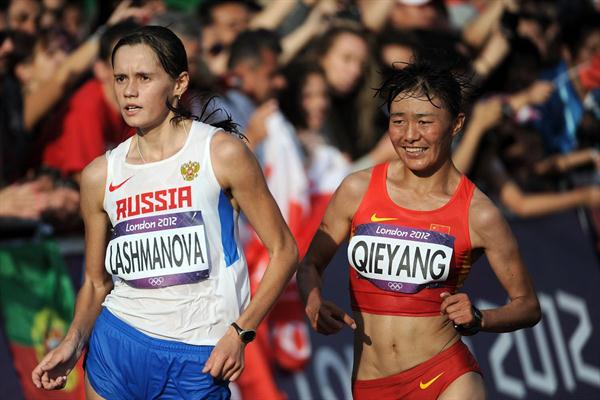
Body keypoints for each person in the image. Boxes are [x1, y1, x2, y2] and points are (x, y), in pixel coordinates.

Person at [31, 25, 298, 399]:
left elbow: (285, 251)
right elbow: (95, 283)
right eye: (120, 78)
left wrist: (241, 332)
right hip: (117, 345)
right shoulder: (99, 174)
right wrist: (73, 343)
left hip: (199, 354)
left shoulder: (221, 154)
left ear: (179, 83)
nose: (129, 90)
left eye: (144, 77)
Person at [297, 60, 541, 400]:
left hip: (446, 376)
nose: (410, 135)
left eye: (425, 122)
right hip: (370, 386)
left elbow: (527, 305)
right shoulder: (357, 189)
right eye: (398, 121)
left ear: (456, 124)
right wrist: (313, 301)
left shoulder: (479, 212)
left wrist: (479, 318)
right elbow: (310, 264)